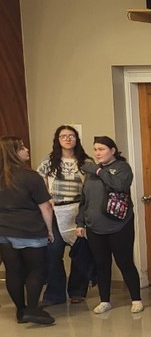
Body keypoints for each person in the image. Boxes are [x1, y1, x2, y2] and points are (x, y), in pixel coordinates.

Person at [75, 136, 143, 314]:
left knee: (125, 262)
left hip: (120, 225)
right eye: (95, 149)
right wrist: (80, 221)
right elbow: (85, 200)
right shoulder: (91, 172)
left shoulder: (122, 168)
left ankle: (136, 298)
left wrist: (98, 171)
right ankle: (104, 300)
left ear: (112, 151)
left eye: (102, 149)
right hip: (94, 227)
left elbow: (119, 185)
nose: (98, 153)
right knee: (101, 264)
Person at [38, 125, 95, 307]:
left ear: (76, 139)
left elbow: (92, 188)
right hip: (54, 213)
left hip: (77, 211)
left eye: (71, 136)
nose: (68, 139)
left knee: (81, 252)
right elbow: (40, 184)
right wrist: (47, 199)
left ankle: (78, 291)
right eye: (63, 136)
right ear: (58, 139)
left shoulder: (86, 162)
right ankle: (54, 294)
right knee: (53, 252)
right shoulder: (48, 161)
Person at [0, 136, 55, 325]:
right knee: (36, 270)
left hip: (4, 231)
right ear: (14, 152)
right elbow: (45, 207)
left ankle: (20, 310)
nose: (26, 150)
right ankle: (33, 309)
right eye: (22, 147)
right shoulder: (31, 176)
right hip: (29, 230)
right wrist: (50, 230)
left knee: (13, 271)